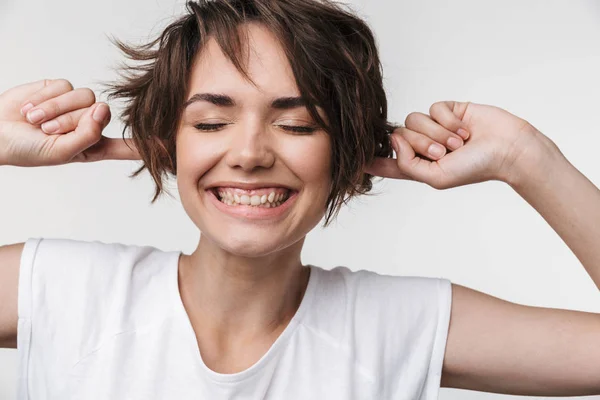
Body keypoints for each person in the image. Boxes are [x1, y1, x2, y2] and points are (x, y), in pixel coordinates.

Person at [1, 0, 599, 398]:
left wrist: (527, 157)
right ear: (166, 142)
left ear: (348, 154)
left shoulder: (395, 324)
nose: (250, 153)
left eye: (298, 125)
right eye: (210, 123)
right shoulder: (59, 287)